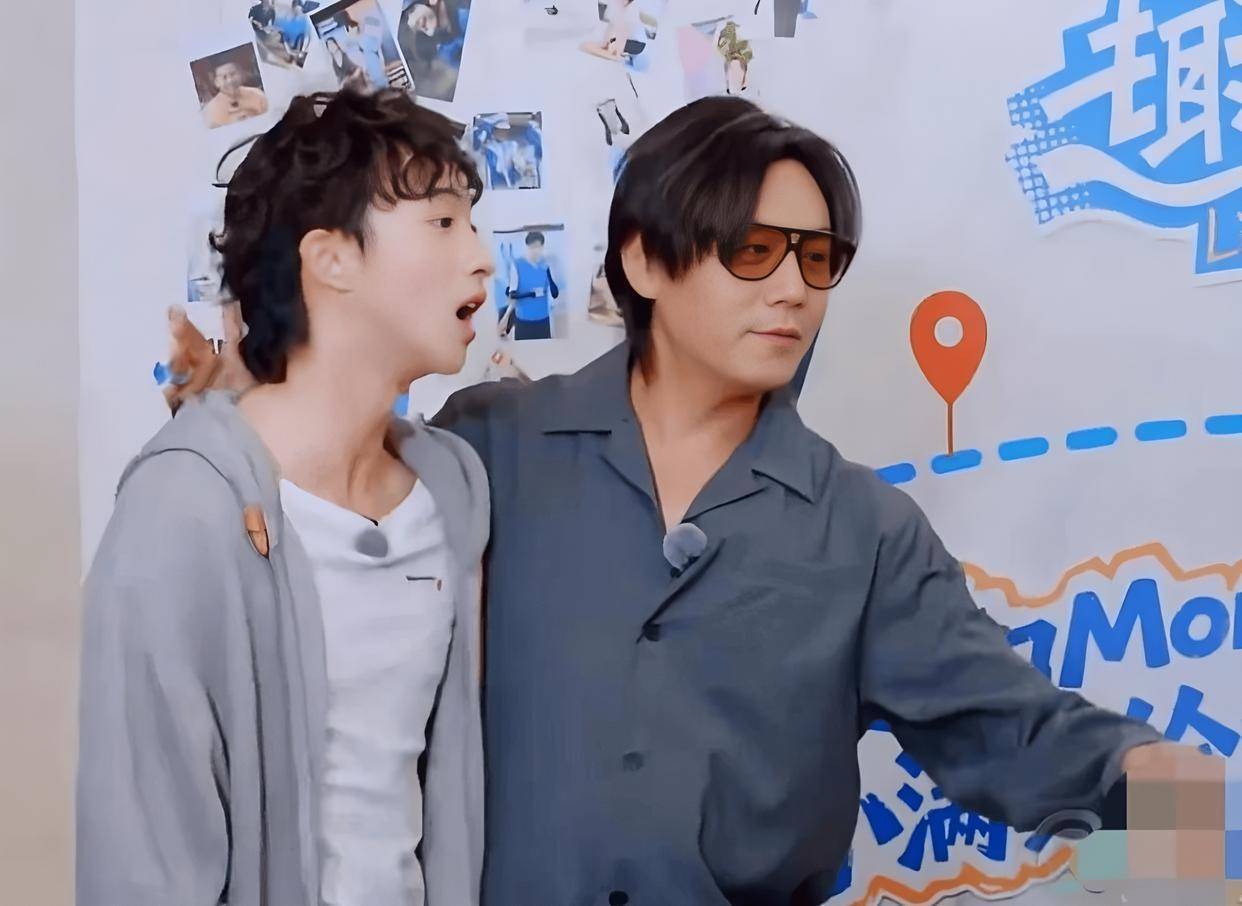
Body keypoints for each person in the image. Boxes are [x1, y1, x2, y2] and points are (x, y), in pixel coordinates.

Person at [162, 96, 1203, 904]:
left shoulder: (864, 532)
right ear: (646, 260)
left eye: (818, 258)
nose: (792, 288)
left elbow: (1020, 735)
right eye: (753, 250)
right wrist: (244, 405)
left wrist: (1188, 814)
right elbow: (324, 550)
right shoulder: (487, 447)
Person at [77, 88, 494, 905]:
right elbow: (140, 860)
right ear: (329, 259)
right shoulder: (181, 509)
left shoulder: (454, 489)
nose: (481, 256)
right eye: (444, 222)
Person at [501, 230, 559, 340]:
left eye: (538, 247)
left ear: (542, 247)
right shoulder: (517, 265)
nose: (535, 250)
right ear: (527, 247)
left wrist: (550, 274)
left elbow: (554, 294)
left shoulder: (546, 264)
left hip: (543, 320)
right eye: (532, 247)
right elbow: (512, 295)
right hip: (523, 321)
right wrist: (531, 294)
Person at [200, 59, 269, 128]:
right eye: (224, 77)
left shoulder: (257, 94)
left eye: (233, 74)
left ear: (242, 75)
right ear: (216, 82)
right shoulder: (210, 109)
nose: (230, 80)